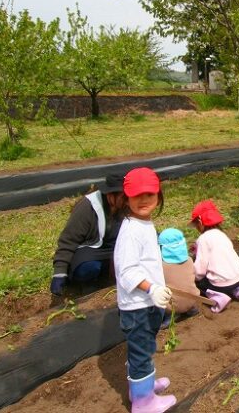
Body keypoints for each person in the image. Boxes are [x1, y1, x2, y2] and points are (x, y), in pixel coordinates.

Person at [113, 167, 176, 413]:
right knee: (141, 354)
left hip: (147, 302)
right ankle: (143, 402)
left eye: (150, 194)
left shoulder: (144, 223)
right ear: (126, 198)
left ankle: (144, 387)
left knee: (145, 348)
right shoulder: (130, 231)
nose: (144, 200)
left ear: (158, 196)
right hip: (138, 306)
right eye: (137, 195)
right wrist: (151, 288)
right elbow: (127, 270)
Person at [51, 173, 125, 296]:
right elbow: (68, 240)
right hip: (91, 249)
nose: (127, 200)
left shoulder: (127, 205)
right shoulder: (87, 207)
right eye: (123, 197)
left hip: (113, 247)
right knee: (88, 268)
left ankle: (108, 277)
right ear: (110, 195)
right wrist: (60, 272)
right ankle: (87, 284)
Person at [190, 200, 239, 313]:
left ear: (200, 222)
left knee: (199, 283)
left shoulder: (203, 239)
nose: (196, 228)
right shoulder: (222, 234)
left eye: (196, 224)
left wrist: (193, 277)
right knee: (227, 273)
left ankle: (219, 297)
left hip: (222, 284)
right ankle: (237, 290)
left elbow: (200, 271)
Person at [157, 228, 200, 317]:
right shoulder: (189, 260)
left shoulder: (160, 266)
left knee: (152, 292)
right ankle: (191, 309)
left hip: (172, 307)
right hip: (193, 299)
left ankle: (170, 316)